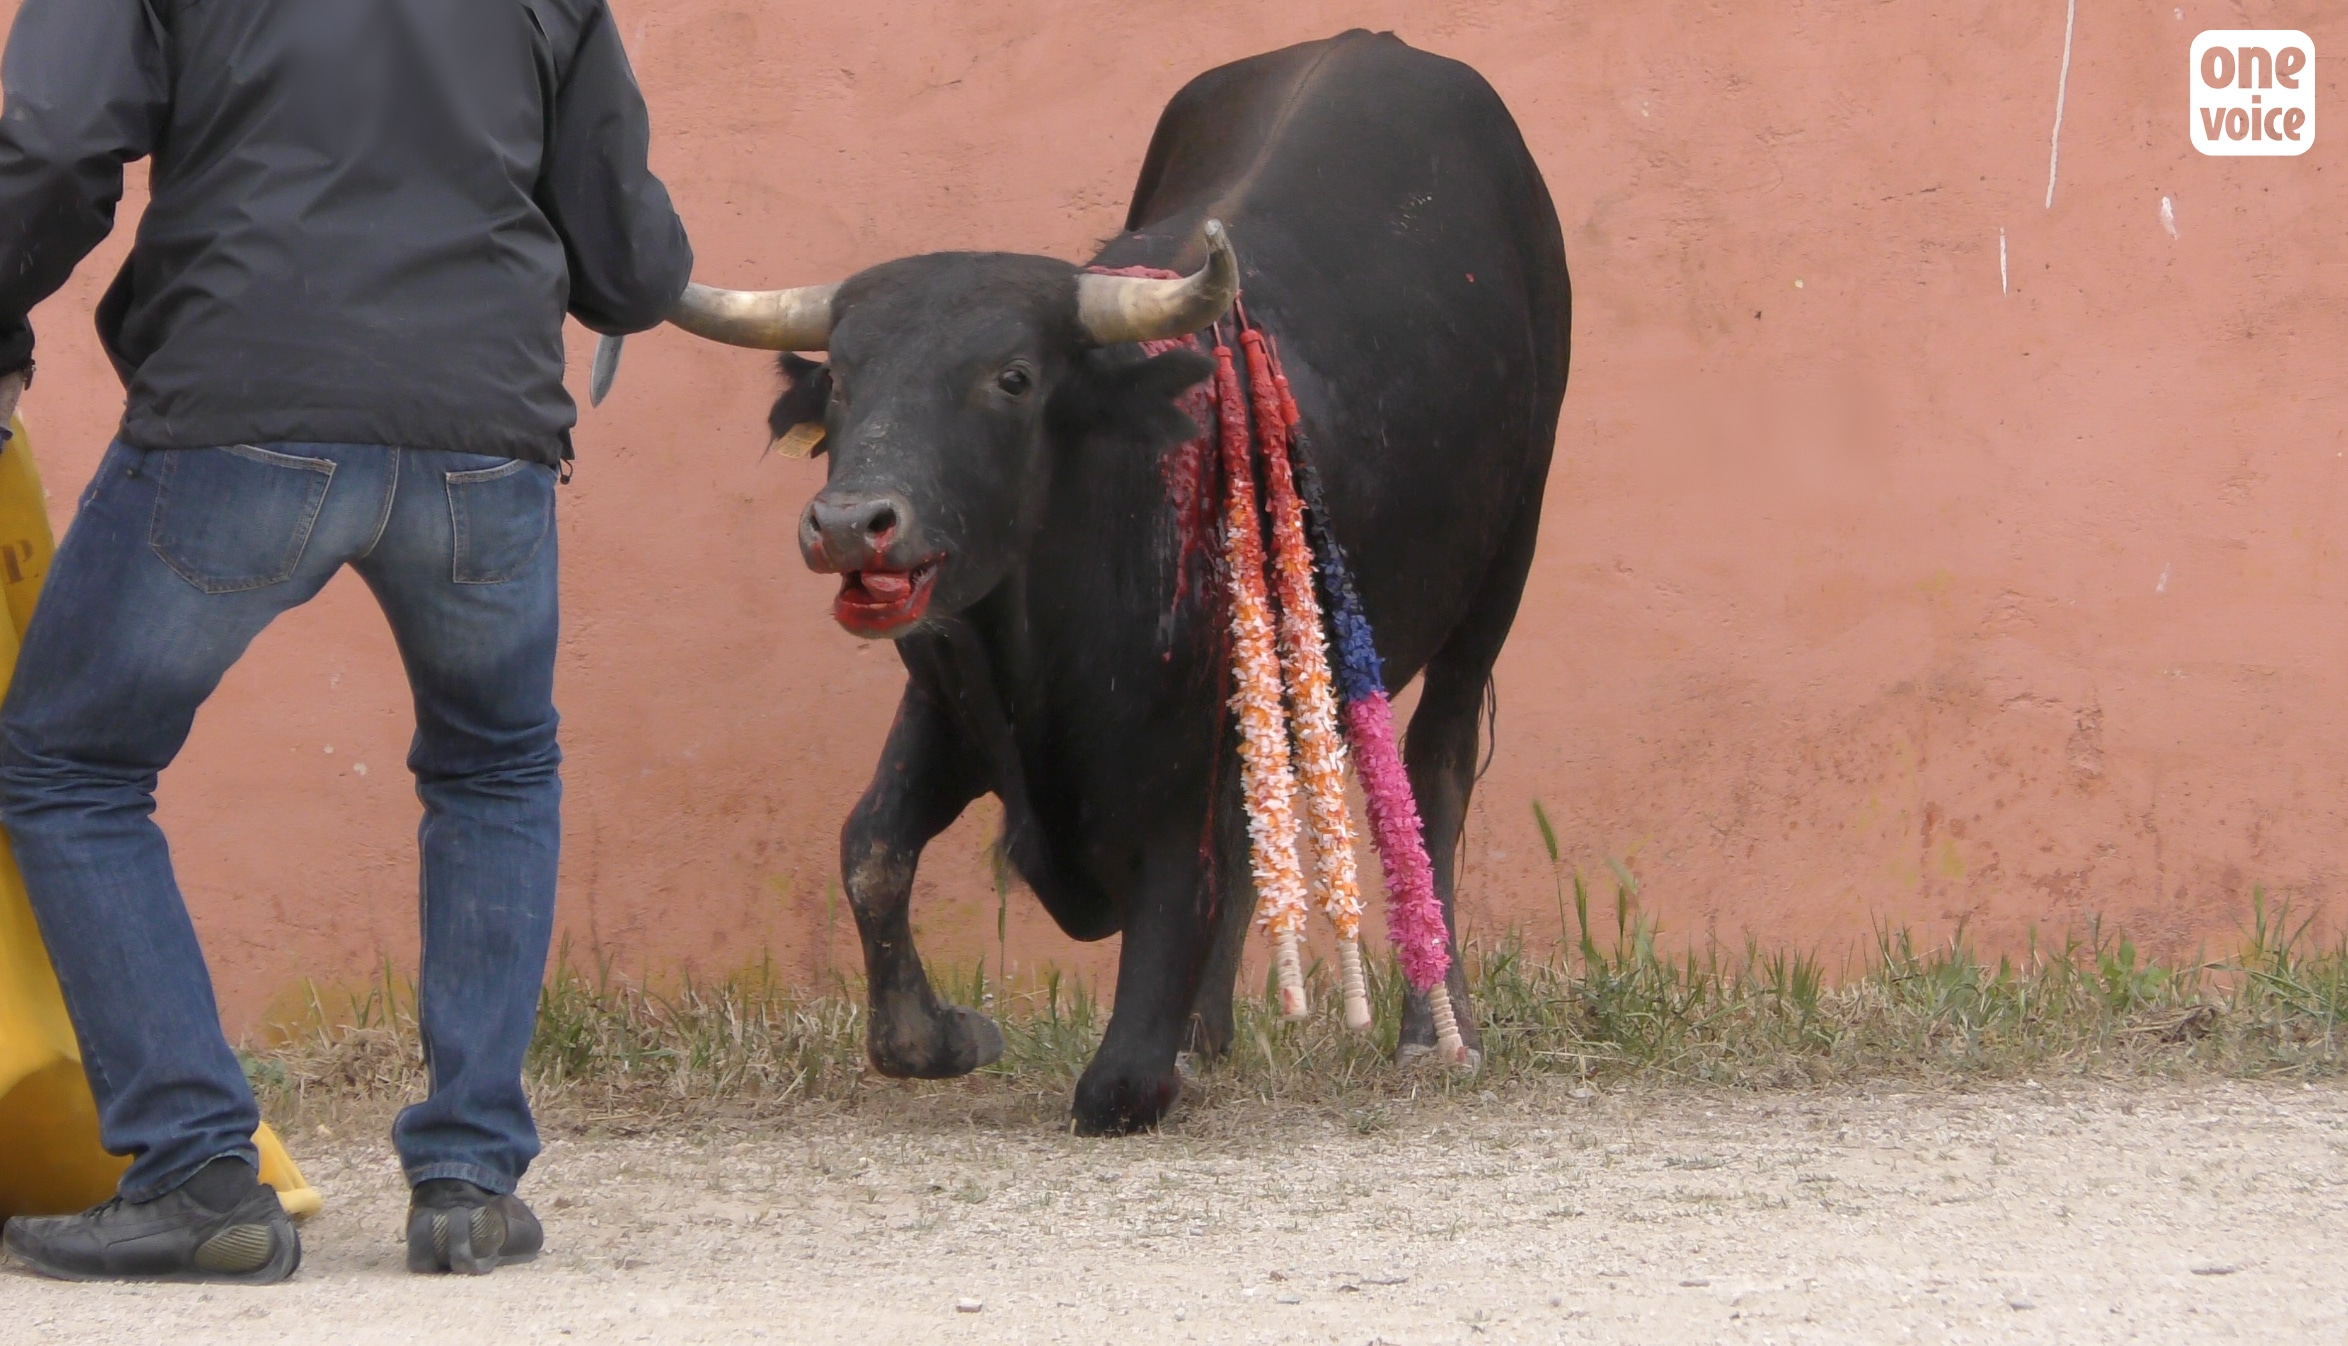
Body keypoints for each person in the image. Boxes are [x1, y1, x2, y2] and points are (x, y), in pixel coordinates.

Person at [0, 0, 691, 1281]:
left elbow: (47, 154)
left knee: (70, 764)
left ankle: (196, 1169)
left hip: (240, 409)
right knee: (495, 768)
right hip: (486, 435)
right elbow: (631, 270)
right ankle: (470, 1181)